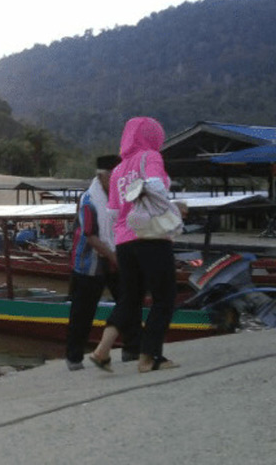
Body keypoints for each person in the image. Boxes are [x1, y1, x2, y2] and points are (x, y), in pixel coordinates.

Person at [90, 117, 181, 373]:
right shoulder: (150, 156)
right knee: (164, 298)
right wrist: (175, 208)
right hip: (151, 238)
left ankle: (102, 350)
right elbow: (155, 189)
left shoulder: (118, 169)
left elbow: (112, 212)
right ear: (153, 136)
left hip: (124, 243)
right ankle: (149, 357)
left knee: (129, 299)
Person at [65, 154, 139, 370]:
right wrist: (115, 256)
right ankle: (74, 357)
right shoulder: (89, 200)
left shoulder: (122, 196)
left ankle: (132, 348)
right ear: (104, 176)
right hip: (89, 262)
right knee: (82, 312)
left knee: (128, 303)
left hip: (115, 257)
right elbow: (91, 236)